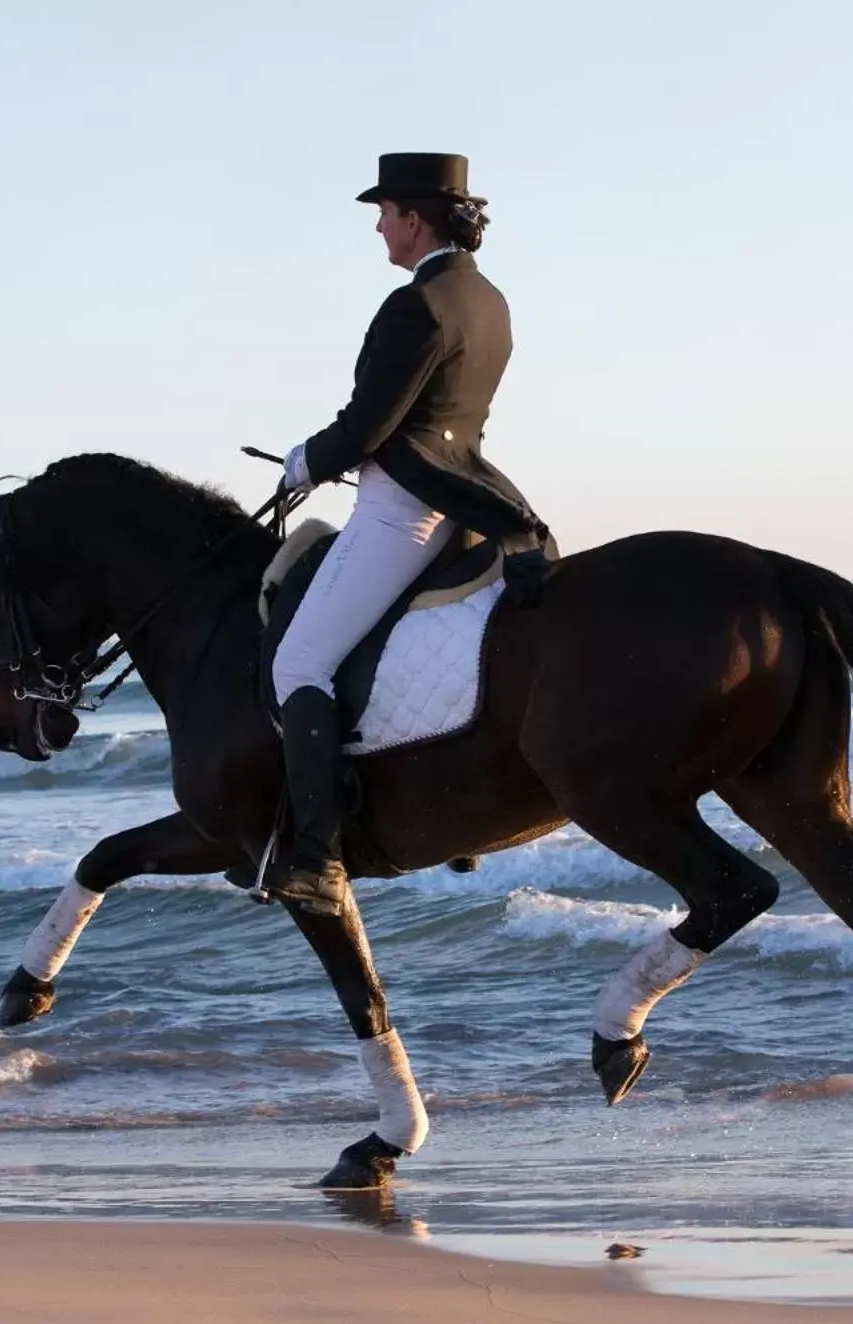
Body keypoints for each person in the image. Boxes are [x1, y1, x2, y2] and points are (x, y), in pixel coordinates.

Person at [267, 152, 550, 914]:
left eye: (384, 213)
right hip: (467, 497)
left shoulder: (415, 305)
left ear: (414, 219)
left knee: (298, 663)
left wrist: (304, 463)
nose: (379, 228)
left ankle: (317, 856)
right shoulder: (489, 300)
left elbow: (370, 425)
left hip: (401, 507)